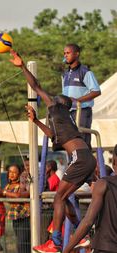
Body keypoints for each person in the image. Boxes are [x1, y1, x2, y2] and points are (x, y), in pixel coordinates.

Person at [9, 49, 96, 252]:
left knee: (58, 197)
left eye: (56, 97)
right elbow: (52, 137)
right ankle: (81, 235)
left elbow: (36, 87)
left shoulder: (58, 109)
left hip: (80, 158)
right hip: (85, 157)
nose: (53, 98)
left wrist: (22, 66)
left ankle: (55, 242)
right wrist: (37, 121)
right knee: (64, 198)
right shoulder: (64, 122)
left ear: (59, 104)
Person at [63, 174, 117, 253]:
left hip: (106, 247)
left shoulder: (104, 183)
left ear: (114, 163)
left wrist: (67, 249)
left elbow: (88, 222)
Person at [62, 43, 101, 149]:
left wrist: (78, 100)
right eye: (64, 53)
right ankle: (73, 164)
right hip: (68, 112)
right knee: (70, 142)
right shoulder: (65, 74)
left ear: (77, 54)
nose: (65, 55)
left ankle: (88, 164)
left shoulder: (85, 71)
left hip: (82, 111)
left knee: (82, 141)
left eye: (68, 53)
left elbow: (96, 91)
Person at [2, 164, 30, 253]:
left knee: (23, 243)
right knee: (19, 242)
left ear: (19, 174)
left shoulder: (22, 184)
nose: (12, 174)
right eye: (10, 172)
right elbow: (8, 198)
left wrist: (5, 193)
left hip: (24, 216)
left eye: (14, 172)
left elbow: (18, 196)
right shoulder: (8, 186)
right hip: (15, 217)